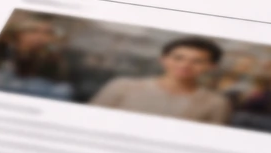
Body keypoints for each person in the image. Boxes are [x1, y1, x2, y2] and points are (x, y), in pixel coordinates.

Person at [90, 37, 231, 124]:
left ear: (212, 66)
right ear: (163, 59)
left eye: (197, 61)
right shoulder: (122, 87)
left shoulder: (216, 103)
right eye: (178, 58)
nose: (185, 65)